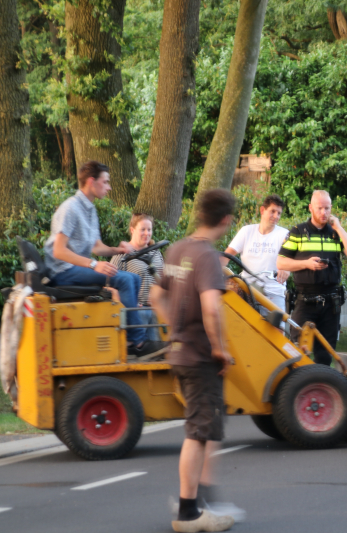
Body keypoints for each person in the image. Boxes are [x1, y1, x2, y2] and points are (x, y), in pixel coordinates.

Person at [149, 189, 238, 532]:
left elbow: (156, 295)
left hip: (180, 352)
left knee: (197, 430)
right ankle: (189, 514)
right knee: (199, 433)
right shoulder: (206, 258)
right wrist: (219, 348)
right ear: (226, 220)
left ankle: (195, 506)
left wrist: (174, 328)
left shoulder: (178, 248)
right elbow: (212, 308)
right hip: (201, 358)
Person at [43, 160, 165, 358]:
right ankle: (138, 342)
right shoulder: (71, 208)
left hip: (75, 268)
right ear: (92, 182)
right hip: (62, 272)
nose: (109, 187)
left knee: (133, 278)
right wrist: (94, 264)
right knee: (125, 279)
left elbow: (96, 246)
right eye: (106, 182)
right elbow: (58, 251)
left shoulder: (90, 210)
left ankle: (132, 337)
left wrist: (119, 249)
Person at [277, 190, 347, 365]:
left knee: (325, 355)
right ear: (310, 208)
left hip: (331, 303)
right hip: (305, 301)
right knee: (297, 354)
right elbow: (281, 262)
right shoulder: (298, 231)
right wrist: (306, 264)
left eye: (327, 208)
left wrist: (338, 227)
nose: (324, 212)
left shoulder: (335, 233)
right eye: (319, 208)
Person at [222, 194, 290, 313]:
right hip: (246, 290)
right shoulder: (247, 231)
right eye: (272, 211)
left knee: (277, 330)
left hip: (273, 292)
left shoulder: (284, 234)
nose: (276, 216)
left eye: (279, 213)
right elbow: (226, 256)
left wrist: (286, 269)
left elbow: (291, 259)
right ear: (262, 210)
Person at [111, 213, 165, 342]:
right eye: (143, 229)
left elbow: (163, 280)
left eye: (149, 229)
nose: (146, 233)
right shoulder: (121, 256)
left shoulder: (156, 253)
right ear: (132, 230)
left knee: (156, 352)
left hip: (156, 311)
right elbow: (109, 285)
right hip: (136, 311)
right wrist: (126, 303)